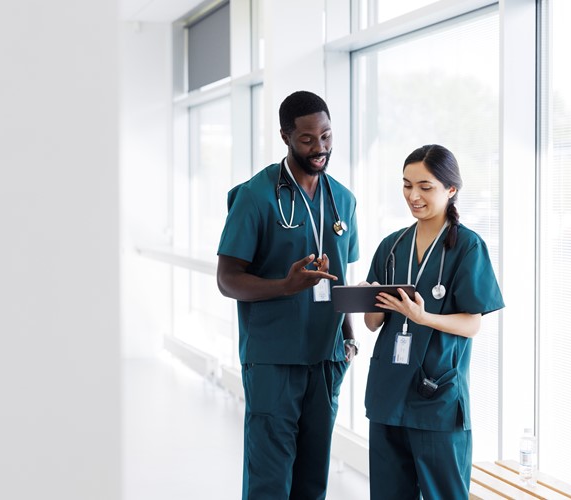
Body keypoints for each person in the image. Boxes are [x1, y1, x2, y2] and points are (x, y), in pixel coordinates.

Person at [216, 90, 360, 499]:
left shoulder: (343, 201)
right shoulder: (255, 196)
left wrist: (348, 338)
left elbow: (341, 276)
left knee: (313, 475)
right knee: (270, 474)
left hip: (327, 355)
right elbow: (227, 279)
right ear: (285, 136)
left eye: (327, 137)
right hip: (274, 358)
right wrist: (285, 286)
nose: (320, 149)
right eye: (308, 139)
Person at [361, 144, 504, 499]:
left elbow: (472, 324)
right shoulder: (391, 247)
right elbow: (372, 323)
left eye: (425, 187)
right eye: (407, 185)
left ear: (450, 189)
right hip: (388, 392)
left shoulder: (468, 247)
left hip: (436, 396)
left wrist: (424, 317)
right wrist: (369, 297)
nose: (414, 196)